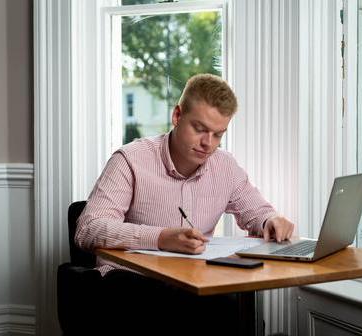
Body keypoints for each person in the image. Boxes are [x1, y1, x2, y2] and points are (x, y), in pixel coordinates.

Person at [75, 74, 295, 334]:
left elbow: (257, 211)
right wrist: (160, 238)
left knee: (223, 305)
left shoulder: (225, 166)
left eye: (218, 134)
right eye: (200, 129)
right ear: (177, 116)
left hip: (194, 282)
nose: (208, 143)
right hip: (130, 285)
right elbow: (87, 229)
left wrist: (271, 220)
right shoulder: (130, 160)